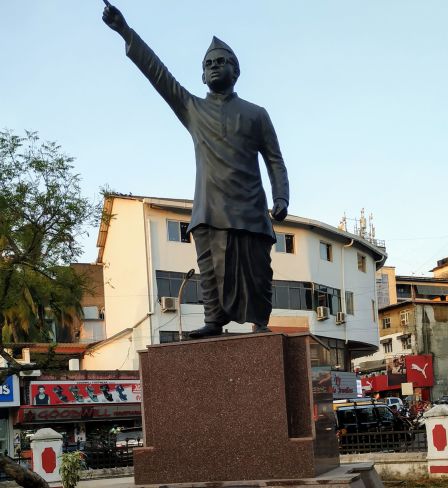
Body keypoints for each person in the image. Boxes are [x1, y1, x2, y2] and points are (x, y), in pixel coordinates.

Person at [102, 5, 290, 339]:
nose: (215, 66)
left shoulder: (256, 114)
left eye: (222, 61)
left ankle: (260, 323)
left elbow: (275, 160)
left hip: (250, 210)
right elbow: (158, 73)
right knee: (210, 272)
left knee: (258, 273)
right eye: (209, 64)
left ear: (236, 69)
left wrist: (280, 197)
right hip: (209, 210)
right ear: (202, 76)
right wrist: (125, 31)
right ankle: (213, 320)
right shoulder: (193, 108)